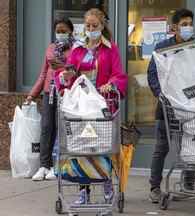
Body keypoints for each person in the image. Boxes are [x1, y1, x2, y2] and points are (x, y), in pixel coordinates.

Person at [55, 8, 128, 204]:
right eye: (87, 26)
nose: (90, 29)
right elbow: (68, 73)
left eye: (94, 26)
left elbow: (119, 74)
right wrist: (65, 76)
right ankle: (83, 192)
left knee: (101, 147)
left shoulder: (110, 49)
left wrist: (110, 84)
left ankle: (106, 182)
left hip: (101, 106)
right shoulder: (78, 49)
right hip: (81, 106)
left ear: (102, 26)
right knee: (81, 148)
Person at [147, 8, 195, 203]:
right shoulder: (162, 48)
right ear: (174, 27)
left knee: (190, 145)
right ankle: (154, 187)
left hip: (190, 106)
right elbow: (153, 74)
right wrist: (160, 94)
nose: (188, 28)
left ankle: (189, 184)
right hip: (167, 106)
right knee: (162, 147)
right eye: (184, 25)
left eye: (190, 24)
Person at [27, 17, 75, 181]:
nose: (60, 34)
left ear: (70, 32)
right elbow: (43, 73)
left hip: (65, 93)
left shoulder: (75, 49)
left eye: (64, 31)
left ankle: (58, 165)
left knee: (61, 127)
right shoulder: (51, 48)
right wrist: (32, 94)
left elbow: (76, 70)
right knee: (47, 127)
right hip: (49, 92)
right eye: (58, 31)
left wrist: (61, 67)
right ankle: (44, 165)